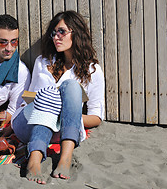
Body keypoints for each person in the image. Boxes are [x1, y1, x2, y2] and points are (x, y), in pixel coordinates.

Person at [11, 10, 105, 184]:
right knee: (49, 95)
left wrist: (66, 116)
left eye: (62, 31)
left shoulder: (92, 71)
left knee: (71, 86)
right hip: (28, 124)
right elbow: (29, 100)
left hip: (61, 130)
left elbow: (96, 117)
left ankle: (65, 158)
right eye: (54, 33)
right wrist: (51, 107)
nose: (56, 37)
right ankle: (34, 158)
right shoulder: (43, 61)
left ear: (76, 33)